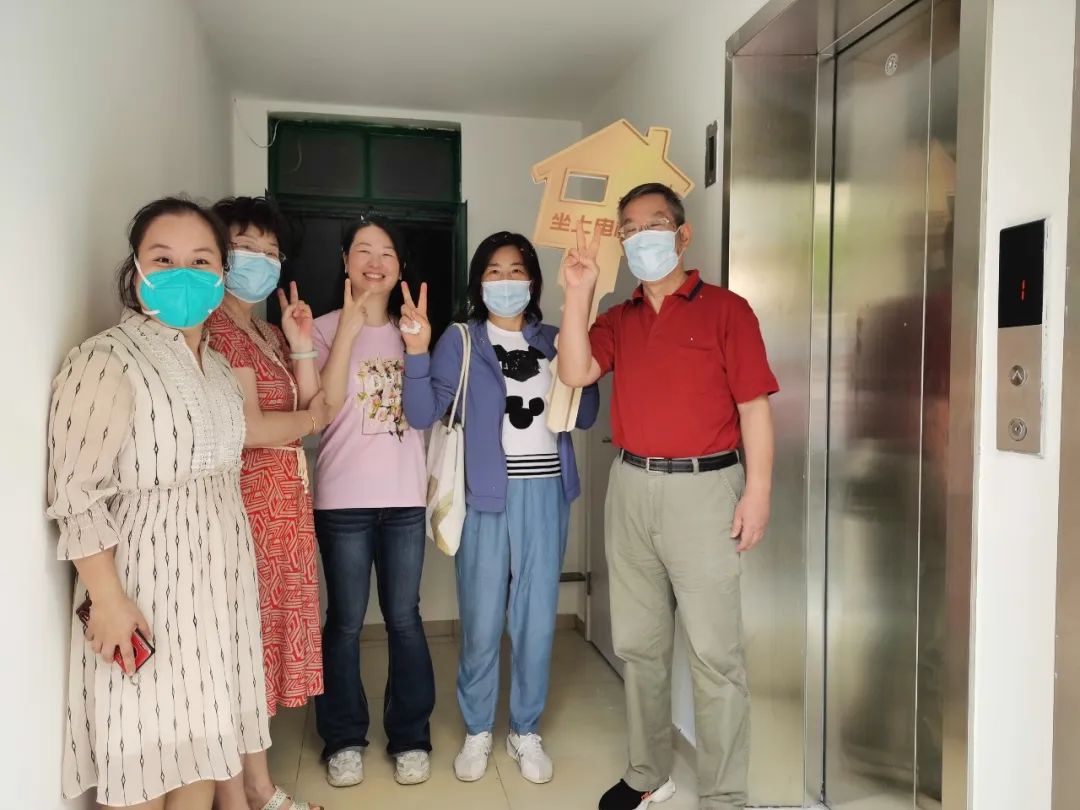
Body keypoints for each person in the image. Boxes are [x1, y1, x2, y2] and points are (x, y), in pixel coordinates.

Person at [557, 183, 779, 810]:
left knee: (715, 653)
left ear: (682, 235)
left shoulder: (727, 310)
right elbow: (574, 371)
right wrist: (577, 294)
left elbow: (754, 408)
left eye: (653, 225)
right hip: (630, 485)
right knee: (640, 645)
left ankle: (726, 796)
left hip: (707, 490)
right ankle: (646, 771)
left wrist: (758, 492)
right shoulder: (618, 318)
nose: (640, 238)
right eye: (628, 230)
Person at [46, 197, 270, 809]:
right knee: (142, 759)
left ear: (221, 274)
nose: (183, 274)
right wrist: (108, 600)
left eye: (200, 261)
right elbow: (77, 494)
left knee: (200, 751)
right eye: (164, 259)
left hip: (216, 592)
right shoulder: (105, 359)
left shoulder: (218, 369)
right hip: (145, 590)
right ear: (137, 269)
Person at [401, 231, 599, 785]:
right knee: (483, 620)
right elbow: (421, 414)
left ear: (533, 280)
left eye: (516, 270)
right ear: (478, 282)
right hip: (486, 496)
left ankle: (525, 730)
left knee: (536, 621)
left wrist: (580, 329)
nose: (506, 281)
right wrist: (416, 353)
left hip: (546, 494)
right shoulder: (461, 340)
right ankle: (478, 729)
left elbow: (585, 416)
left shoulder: (556, 338)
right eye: (494, 271)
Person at [206, 196, 329, 810]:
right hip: (247, 508)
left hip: (284, 507)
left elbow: (312, 404)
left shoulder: (267, 331)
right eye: (245, 247)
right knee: (240, 647)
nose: (259, 259)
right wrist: (306, 421)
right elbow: (251, 429)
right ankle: (249, 790)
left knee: (261, 648)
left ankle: (255, 783)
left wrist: (302, 344)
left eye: (271, 251)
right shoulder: (215, 329)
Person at [311, 217, 435, 788]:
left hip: (405, 498)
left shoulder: (417, 332)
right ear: (345, 261)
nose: (375, 261)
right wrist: (348, 329)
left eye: (387, 252)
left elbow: (424, 414)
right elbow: (319, 408)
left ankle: (410, 737)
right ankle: (342, 738)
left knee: (405, 619)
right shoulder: (318, 329)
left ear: (400, 266)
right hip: (342, 500)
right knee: (344, 621)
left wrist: (420, 348)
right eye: (363, 250)